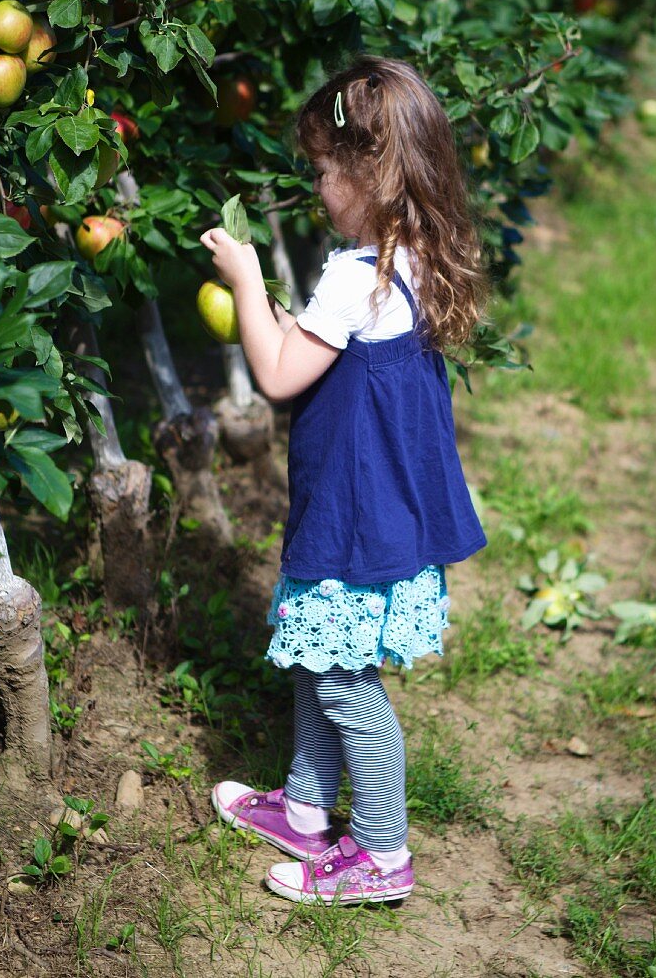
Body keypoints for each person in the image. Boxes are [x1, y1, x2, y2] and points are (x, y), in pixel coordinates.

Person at [202, 55, 491, 906]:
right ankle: (300, 807)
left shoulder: (348, 273)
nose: (318, 186)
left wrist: (248, 286)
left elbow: (280, 376)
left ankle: (381, 853)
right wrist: (290, 322)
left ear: (374, 172)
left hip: (352, 520)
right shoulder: (417, 261)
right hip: (386, 512)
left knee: (339, 680)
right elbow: (335, 358)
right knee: (316, 659)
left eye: (325, 171)